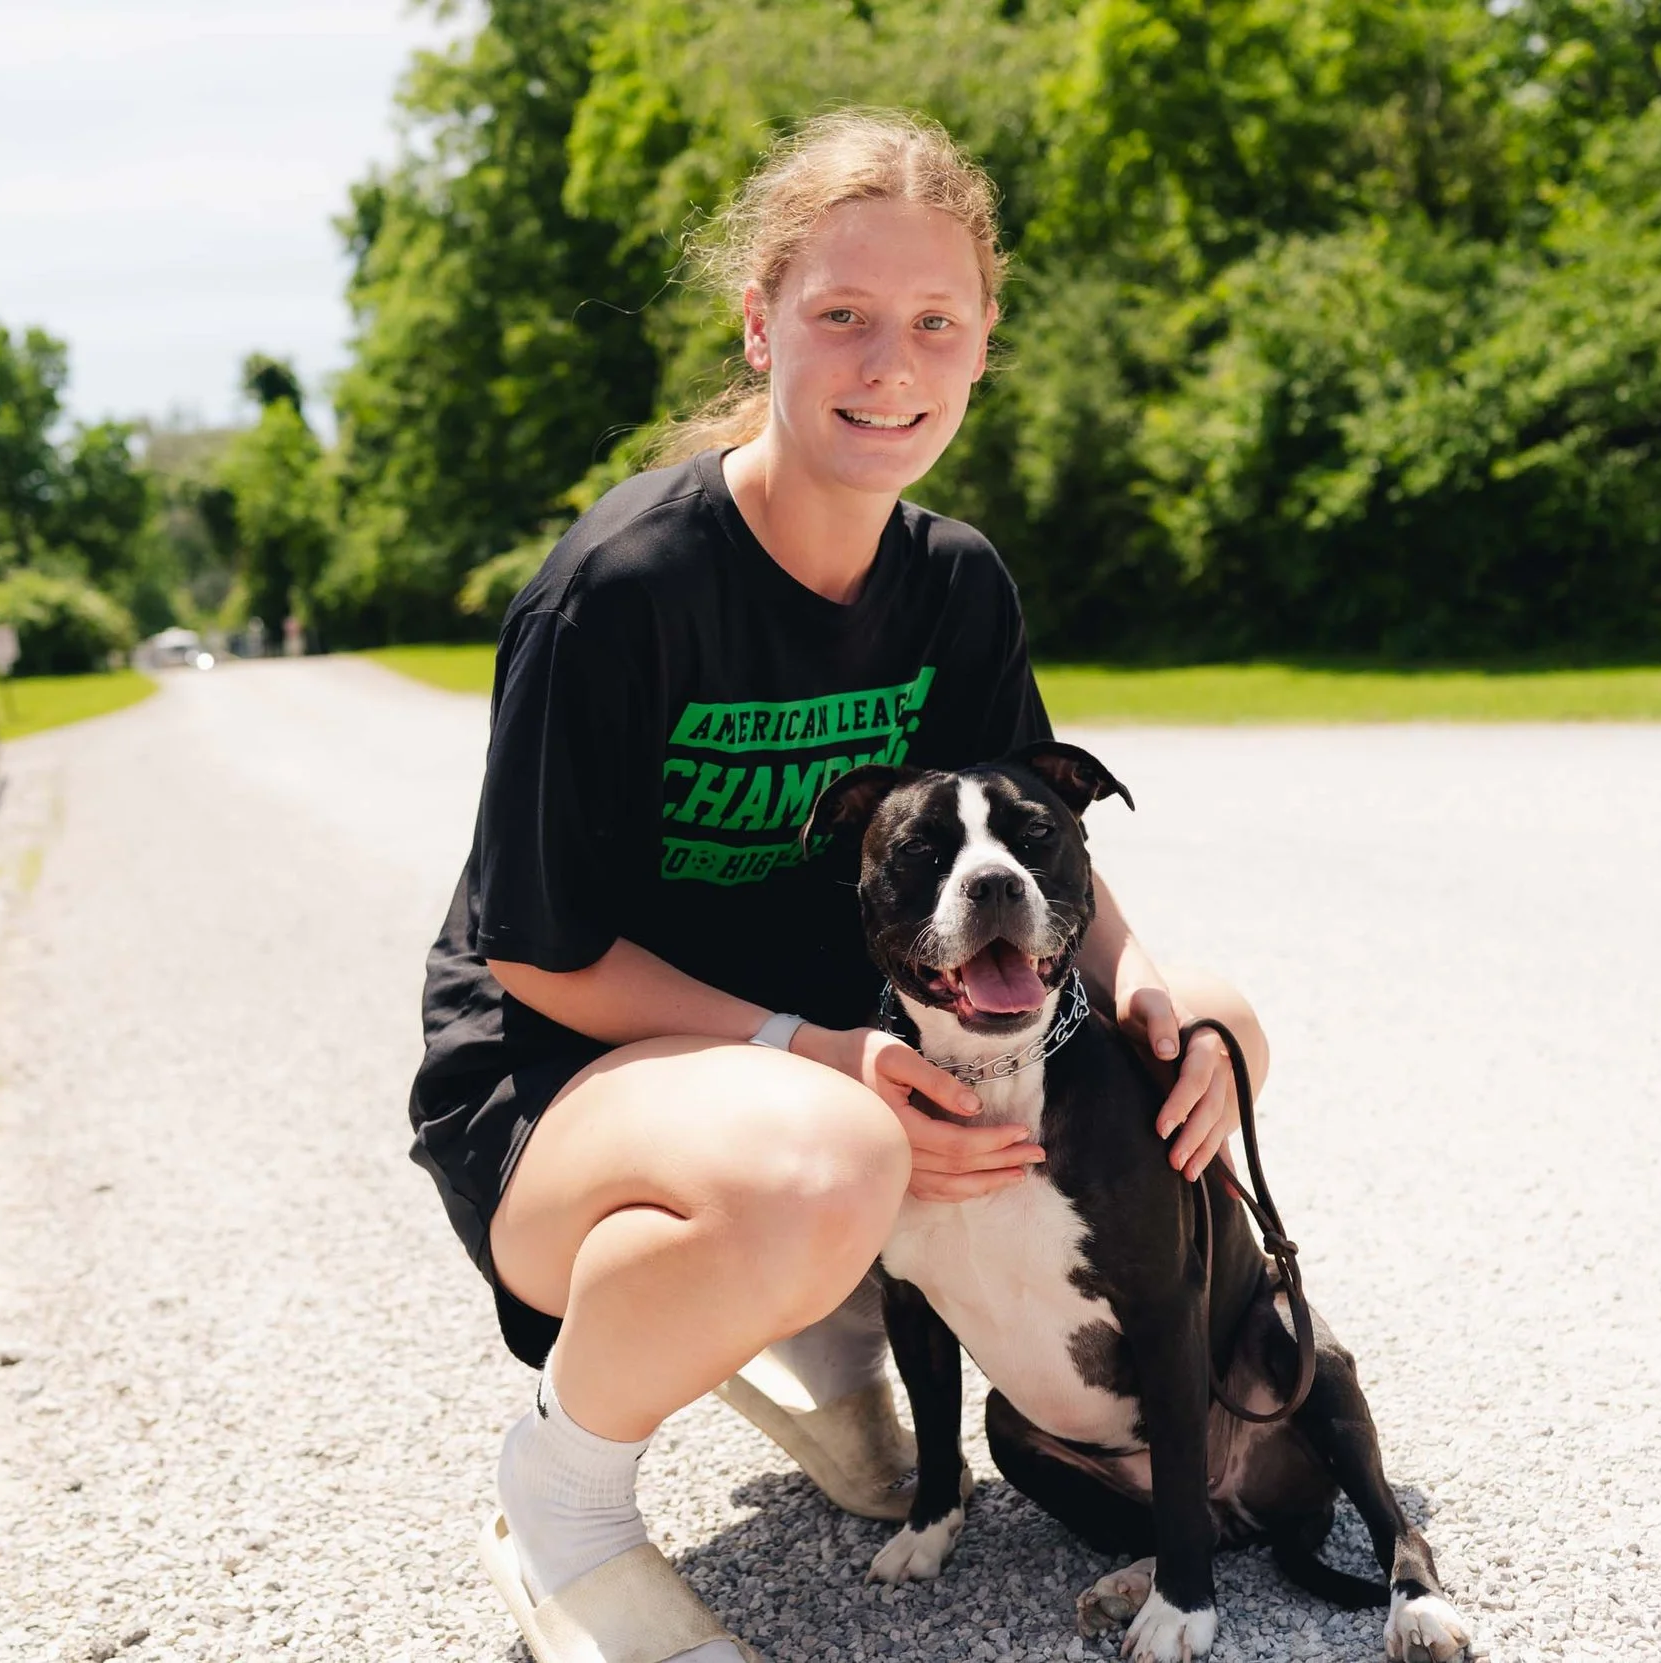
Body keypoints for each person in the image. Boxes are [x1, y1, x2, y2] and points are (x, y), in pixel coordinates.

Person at [409, 108, 1272, 1663]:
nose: (892, 363)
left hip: (818, 1070)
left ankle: (814, 1305)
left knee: (1213, 1020)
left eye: (935, 322)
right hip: (562, 1085)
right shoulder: (618, 593)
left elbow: (1041, 848)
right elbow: (536, 957)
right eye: (843, 316)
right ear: (761, 324)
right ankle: (562, 1503)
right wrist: (816, 1057)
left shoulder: (955, 582)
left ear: (983, 343)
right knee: (824, 1156)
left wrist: (1144, 984)